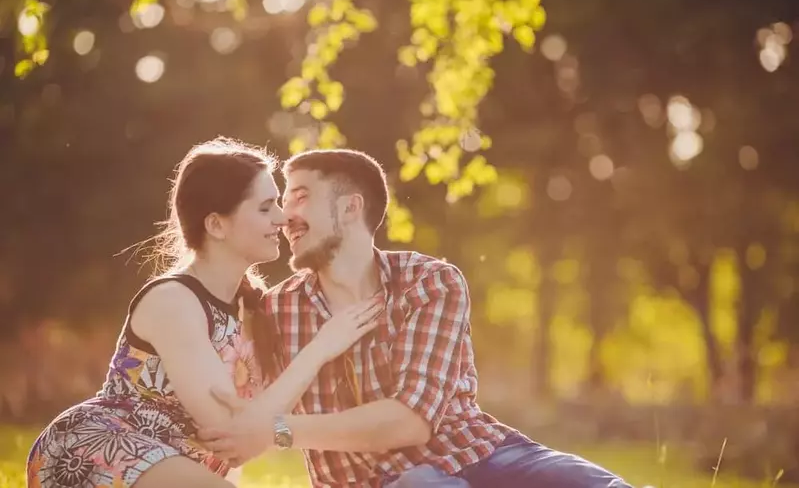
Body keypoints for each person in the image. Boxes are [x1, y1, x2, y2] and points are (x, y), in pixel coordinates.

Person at [199, 148, 633, 488]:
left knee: (580, 481)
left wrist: (279, 430)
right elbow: (237, 415)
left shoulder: (430, 283)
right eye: (280, 201)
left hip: (482, 456)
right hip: (373, 483)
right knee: (420, 483)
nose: (285, 215)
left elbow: (410, 422)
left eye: (300, 196)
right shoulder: (274, 311)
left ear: (351, 208)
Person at [26, 138, 382, 488]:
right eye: (264, 207)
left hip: (179, 468)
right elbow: (228, 426)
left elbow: (243, 441)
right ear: (216, 225)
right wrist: (320, 348)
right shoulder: (173, 301)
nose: (282, 217)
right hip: (96, 448)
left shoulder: (255, 309)